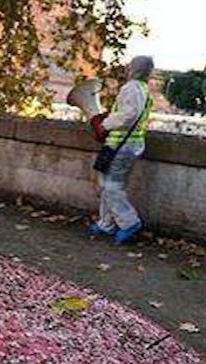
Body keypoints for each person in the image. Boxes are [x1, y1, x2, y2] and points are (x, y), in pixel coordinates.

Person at [88, 55, 154, 245]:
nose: (126, 68)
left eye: (129, 65)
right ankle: (106, 223)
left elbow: (128, 115)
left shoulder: (131, 88)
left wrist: (105, 125)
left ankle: (129, 222)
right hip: (128, 143)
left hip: (121, 144)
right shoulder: (143, 89)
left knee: (111, 185)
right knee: (107, 183)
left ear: (134, 69)